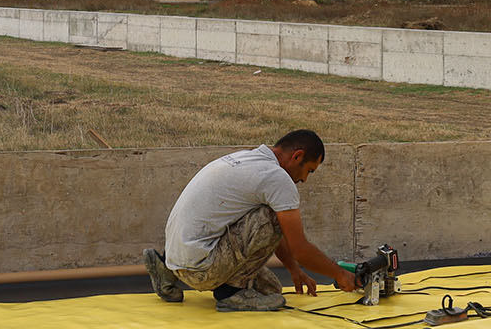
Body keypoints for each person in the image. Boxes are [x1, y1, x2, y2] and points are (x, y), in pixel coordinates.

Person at [143, 129, 358, 311]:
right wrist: (340, 274)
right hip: (202, 270)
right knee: (273, 216)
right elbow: (299, 248)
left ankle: (165, 271)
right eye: (308, 170)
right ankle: (231, 293)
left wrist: (294, 270)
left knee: (271, 290)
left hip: (179, 258)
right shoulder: (276, 178)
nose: (304, 179)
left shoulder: (247, 159)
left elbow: (267, 237)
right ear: (297, 156)